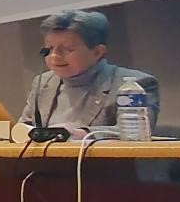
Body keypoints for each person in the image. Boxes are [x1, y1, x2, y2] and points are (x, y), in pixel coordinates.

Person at [22, 10, 160, 131]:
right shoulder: (43, 81)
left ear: (97, 52)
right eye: (49, 48)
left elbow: (135, 134)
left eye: (68, 49)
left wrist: (83, 134)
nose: (54, 56)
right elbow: (25, 127)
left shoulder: (135, 85)